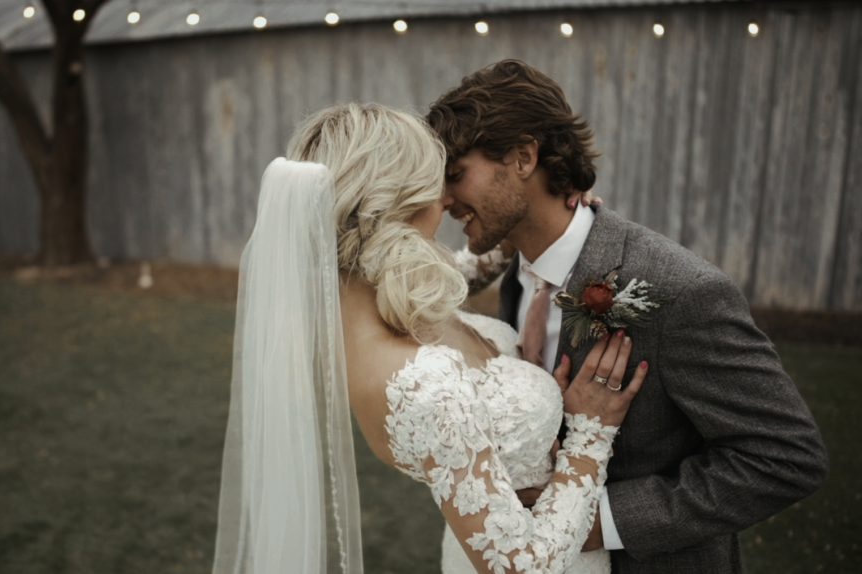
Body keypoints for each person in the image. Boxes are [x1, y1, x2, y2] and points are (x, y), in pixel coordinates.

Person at [426, 59, 829, 574]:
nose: (443, 199)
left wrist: (603, 521)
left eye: (456, 175)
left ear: (524, 156)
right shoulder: (515, 272)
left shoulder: (681, 291)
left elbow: (787, 457)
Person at [211, 102, 649, 574]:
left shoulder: (359, 297)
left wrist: (516, 233)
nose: (445, 200)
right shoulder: (423, 384)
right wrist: (590, 434)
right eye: (433, 183)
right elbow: (522, 567)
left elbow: (449, 279)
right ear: (395, 204)